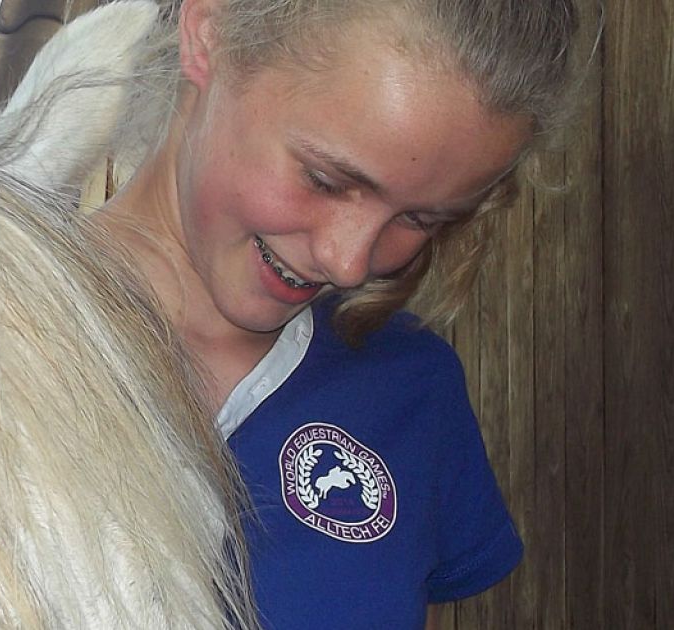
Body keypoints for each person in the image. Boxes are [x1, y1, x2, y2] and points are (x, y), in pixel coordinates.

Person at [89, 0, 581, 627]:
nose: (349, 265)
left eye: (421, 219)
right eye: (324, 179)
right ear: (209, 33)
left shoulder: (410, 389)